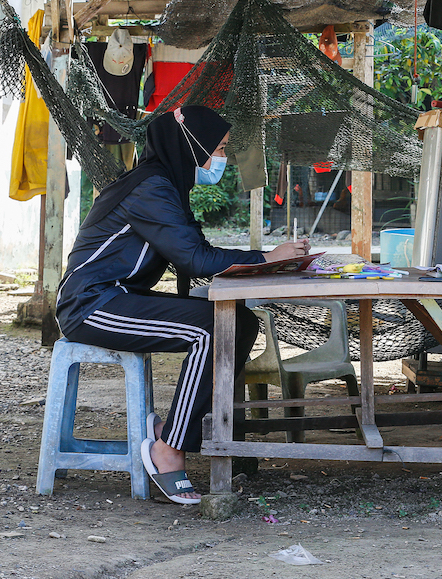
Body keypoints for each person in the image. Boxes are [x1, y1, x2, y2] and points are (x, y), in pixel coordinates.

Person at [56, 106, 309, 504]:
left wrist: (270, 259)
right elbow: (197, 260)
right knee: (209, 329)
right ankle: (169, 450)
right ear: (190, 145)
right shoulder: (150, 188)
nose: (222, 158)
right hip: (91, 305)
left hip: (120, 297)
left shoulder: (166, 185)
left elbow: (198, 254)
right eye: (219, 149)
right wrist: (267, 257)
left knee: (238, 324)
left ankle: (169, 432)